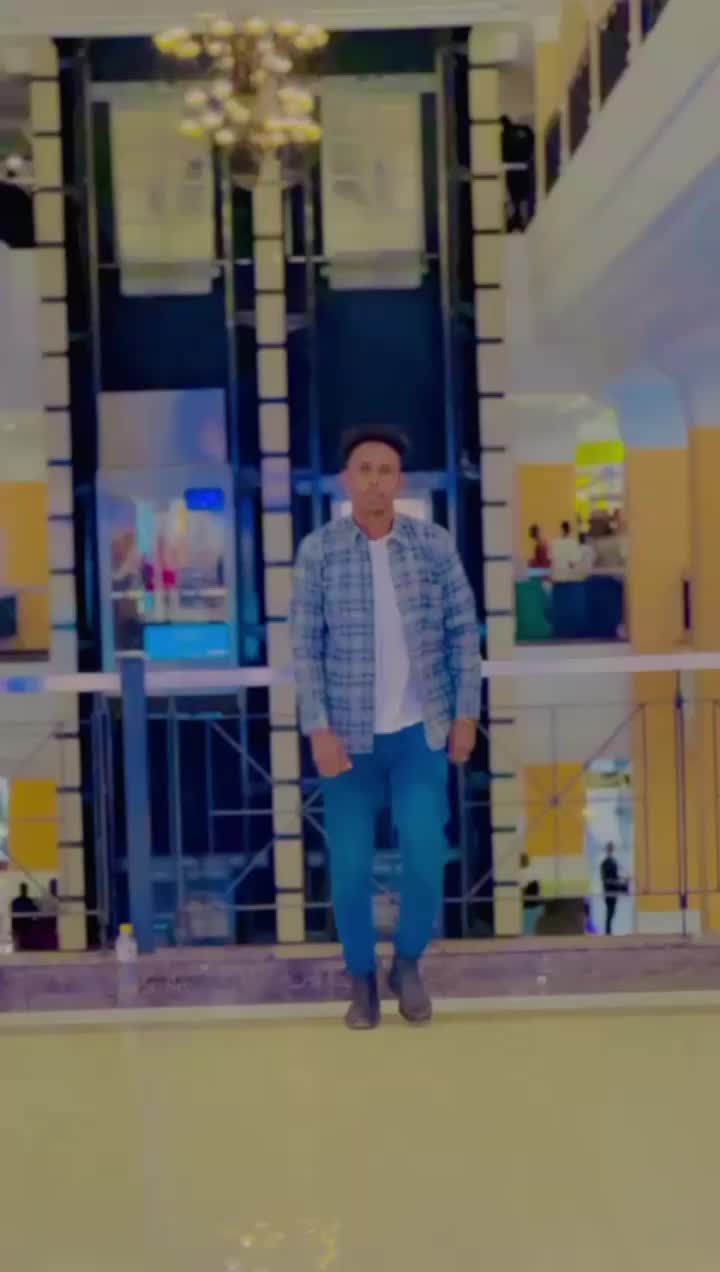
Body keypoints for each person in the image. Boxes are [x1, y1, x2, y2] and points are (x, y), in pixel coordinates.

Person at [291, 426, 482, 1030]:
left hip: (420, 731)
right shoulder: (319, 551)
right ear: (347, 480)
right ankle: (361, 980)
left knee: (425, 852)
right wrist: (318, 728)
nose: (374, 480)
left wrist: (466, 713)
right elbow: (305, 648)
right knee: (349, 867)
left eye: (386, 470)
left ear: (399, 481)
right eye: (364, 469)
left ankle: (408, 962)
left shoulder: (432, 545)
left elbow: (463, 632)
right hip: (347, 739)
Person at [600, 842, 628, 935]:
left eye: (612, 848)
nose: (611, 850)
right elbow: (605, 879)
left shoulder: (614, 861)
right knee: (610, 911)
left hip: (613, 889)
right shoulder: (605, 863)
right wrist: (617, 881)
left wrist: (623, 878)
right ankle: (608, 932)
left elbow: (615, 876)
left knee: (612, 912)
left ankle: (608, 931)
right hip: (609, 890)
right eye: (610, 848)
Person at [11, 882, 39, 952]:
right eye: (23, 889)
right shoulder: (17, 901)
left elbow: (35, 911)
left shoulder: (27, 901)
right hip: (20, 925)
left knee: (24, 942)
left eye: (24, 889)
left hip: (25, 925)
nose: (24, 890)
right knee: (20, 942)